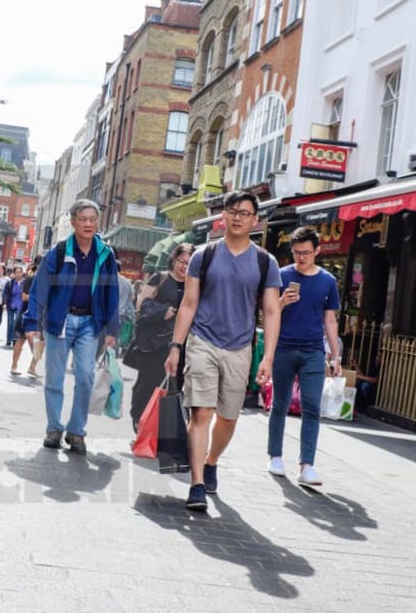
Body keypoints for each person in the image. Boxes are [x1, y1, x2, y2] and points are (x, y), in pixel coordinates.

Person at [164, 190, 281, 511]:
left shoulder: (265, 261)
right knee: (201, 411)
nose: (238, 216)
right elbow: (188, 304)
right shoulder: (205, 254)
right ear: (223, 216)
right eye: (232, 211)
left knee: (228, 418)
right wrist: (176, 346)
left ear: (255, 220)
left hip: (240, 347)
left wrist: (268, 356)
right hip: (202, 341)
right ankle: (197, 483)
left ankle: (212, 459)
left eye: (245, 212)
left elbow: (272, 311)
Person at [24, 199, 120, 455]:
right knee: (54, 379)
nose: (88, 224)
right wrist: (32, 321)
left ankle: (76, 430)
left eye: (93, 219)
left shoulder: (105, 254)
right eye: (83, 219)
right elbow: (39, 289)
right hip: (61, 323)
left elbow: (112, 292)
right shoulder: (59, 252)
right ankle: (54, 428)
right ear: (73, 222)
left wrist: (113, 329)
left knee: (86, 377)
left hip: (90, 323)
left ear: (97, 222)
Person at [268, 225, 343, 486]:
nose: (301, 257)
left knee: (312, 407)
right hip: (283, 347)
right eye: (297, 252)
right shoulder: (280, 275)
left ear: (317, 251)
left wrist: (335, 356)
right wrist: (281, 303)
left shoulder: (328, 281)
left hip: (313, 350)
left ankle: (306, 465)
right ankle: (275, 456)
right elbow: (268, 313)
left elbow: (330, 321)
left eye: (307, 253)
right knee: (280, 404)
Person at [128, 243, 193, 431]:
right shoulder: (161, 278)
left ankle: (162, 432)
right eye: (182, 261)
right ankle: (139, 422)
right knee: (146, 385)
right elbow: (142, 304)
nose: (184, 266)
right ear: (174, 259)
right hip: (154, 343)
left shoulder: (193, 284)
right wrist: (164, 311)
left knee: (173, 389)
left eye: (189, 263)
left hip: (180, 344)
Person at [11, 257, 43, 377]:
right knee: (20, 340)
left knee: (40, 340)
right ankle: (14, 366)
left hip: (39, 315)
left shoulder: (46, 280)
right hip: (25, 312)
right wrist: (39, 299)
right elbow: (24, 297)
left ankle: (32, 367)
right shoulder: (30, 278)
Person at [2, 266, 25, 347]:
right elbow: (5, 294)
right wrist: (4, 303)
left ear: (22, 273)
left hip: (20, 306)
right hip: (11, 305)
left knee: (16, 323)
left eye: (20, 272)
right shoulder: (9, 283)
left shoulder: (25, 283)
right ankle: (8, 340)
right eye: (17, 272)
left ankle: (15, 339)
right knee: (10, 323)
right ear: (14, 274)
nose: (18, 274)